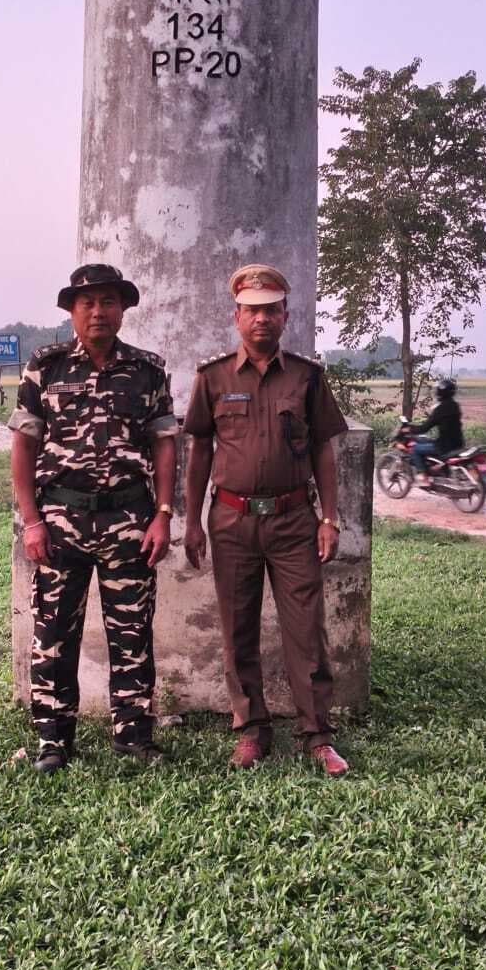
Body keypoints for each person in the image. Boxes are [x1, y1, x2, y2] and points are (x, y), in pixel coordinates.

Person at [8, 263, 178, 773]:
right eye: (88, 302)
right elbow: (23, 444)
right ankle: (53, 742)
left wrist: (164, 514)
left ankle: (133, 738)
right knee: (54, 634)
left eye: (108, 301)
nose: (98, 311)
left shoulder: (148, 370)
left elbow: (165, 444)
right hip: (61, 520)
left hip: (130, 519)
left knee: (132, 633)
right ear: (71, 311)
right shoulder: (47, 365)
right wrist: (31, 520)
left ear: (123, 309)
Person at [182, 263, 350, 775]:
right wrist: (191, 522)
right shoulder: (212, 378)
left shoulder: (306, 377)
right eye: (252, 310)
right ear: (237, 317)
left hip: (294, 519)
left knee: (306, 630)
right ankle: (251, 731)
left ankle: (317, 735)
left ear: (285, 315)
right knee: (238, 631)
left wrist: (331, 518)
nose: (261, 319)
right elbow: (199, 454)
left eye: (271, 310)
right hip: (231, 521)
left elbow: (322, 449)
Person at [407, 378, 464, 487]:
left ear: (440, 393)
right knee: (427, 441)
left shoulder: (440, 409)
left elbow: (424, 428)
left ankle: (424, 477)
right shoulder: (455, 406)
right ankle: (436, 469)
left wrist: (410, 428)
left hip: (444, 446)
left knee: (415, 449)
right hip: (458, 443)